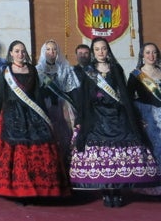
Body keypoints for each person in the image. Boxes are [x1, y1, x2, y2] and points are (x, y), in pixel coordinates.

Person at [70, 37, 160, 207]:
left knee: (119, 157)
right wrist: (82, 118)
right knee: (102, 158)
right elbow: (84, 97)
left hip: (117, 117)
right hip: (97, 118)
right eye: (97, 49)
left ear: (108, 50)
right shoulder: (88, 71)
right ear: (93, 52)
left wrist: (132, 116)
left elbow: (124, 95)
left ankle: (117, 191)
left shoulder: (116, 69)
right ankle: (106, 192)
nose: (101, 52)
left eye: (103, 49)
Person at [0, 40, 69, 202]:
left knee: (35, 149)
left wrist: (45, 116)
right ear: (11, 53)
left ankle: (36, 189)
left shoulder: (32, 70)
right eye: (17, 51)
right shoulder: (5, 70)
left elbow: (37, 95)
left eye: (22, 51)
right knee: (14, 151)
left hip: (32, 114)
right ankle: (16, 191)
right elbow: (0, 95)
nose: (20, 54)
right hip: (11, 113)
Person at [36, 39, 79, 168]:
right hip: (46, 106)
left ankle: (66, 165)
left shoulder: (65, 68)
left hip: (64, 107)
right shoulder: (38, 70)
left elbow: (72, 90)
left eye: (54, 49)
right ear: (44, 52)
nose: (51, 52)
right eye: (48, 49)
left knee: (65, 136)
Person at [127, 42, 161, 196]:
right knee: (154, 148)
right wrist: (138, 116)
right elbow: (128, 99)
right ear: (142, 56)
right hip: (149, 117)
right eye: (147, 52)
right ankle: (155, 184)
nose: (151, 56)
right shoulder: (136, 75)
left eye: (154, 52)